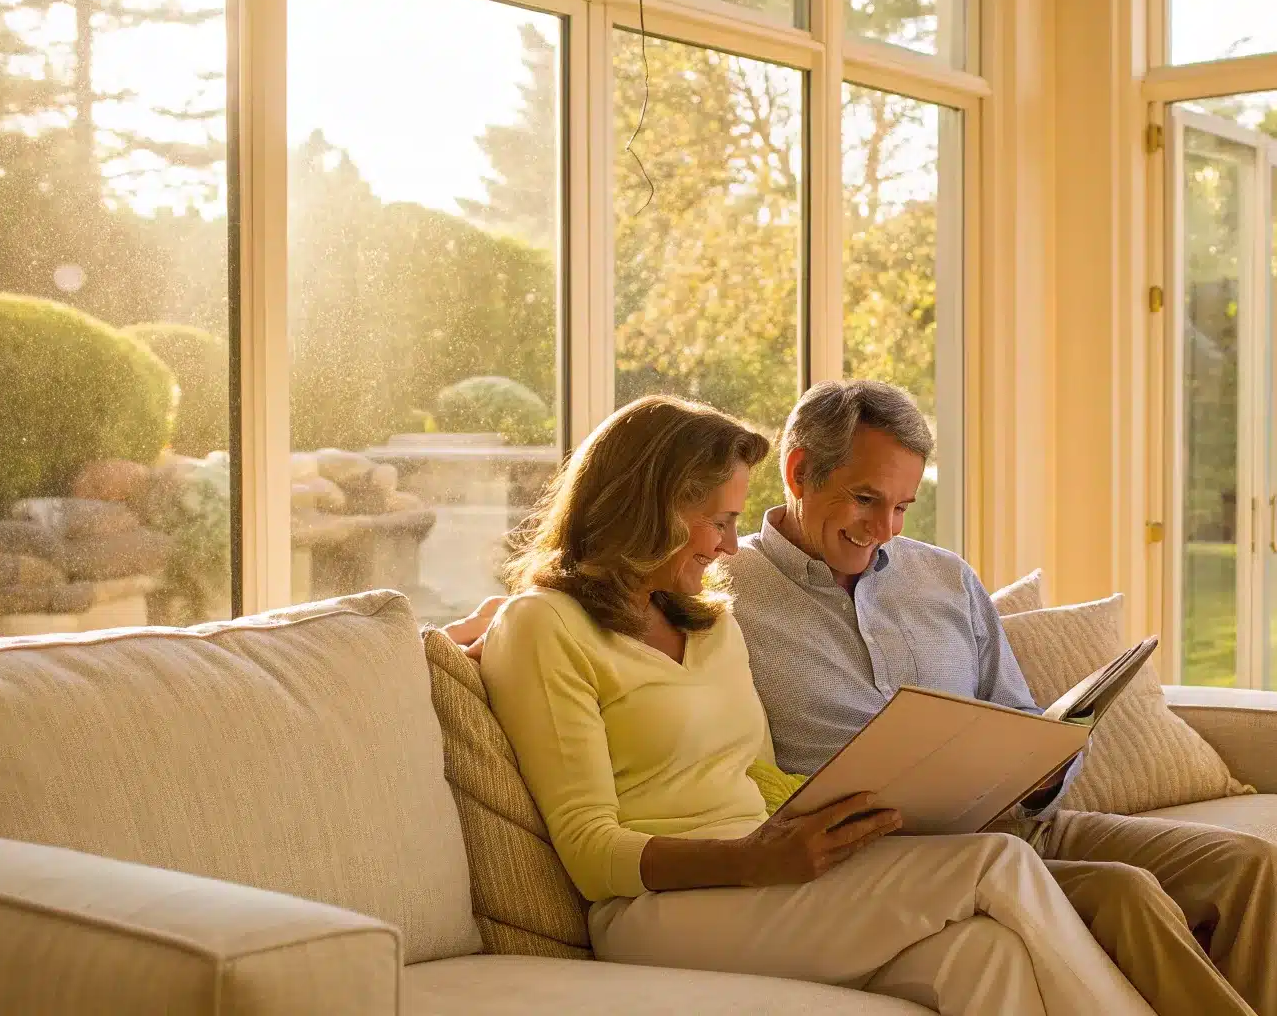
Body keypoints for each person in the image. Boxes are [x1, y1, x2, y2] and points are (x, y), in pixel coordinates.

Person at [469, 394, 1166, 1016]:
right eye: (713, 521)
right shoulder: (544, 627)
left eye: (733, 520)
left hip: (767, 878)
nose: (724, 546)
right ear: (642, 509)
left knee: (987, 957)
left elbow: (756, 774)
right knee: (995, 864)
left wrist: (854, 804)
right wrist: (752, 860)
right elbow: (591, 854)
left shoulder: (706, 620)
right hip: (659, 908)